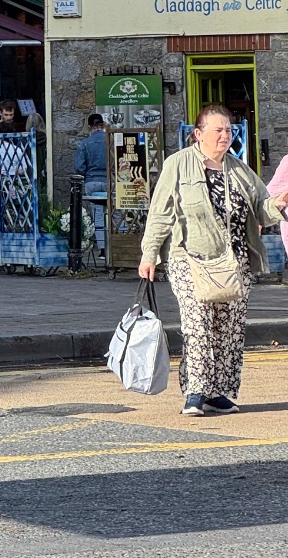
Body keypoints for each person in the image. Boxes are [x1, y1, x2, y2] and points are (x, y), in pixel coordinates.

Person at [139, 103, 288, 416]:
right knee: (198, 326)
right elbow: (160, 213)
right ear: (198, 134)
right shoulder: (178, 165)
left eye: (229, 130)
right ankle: (195, 391)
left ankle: (217, 392)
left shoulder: (240, 169)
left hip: (234, 264)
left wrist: (279, 202)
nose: (225, 135)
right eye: (218, 129)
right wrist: (149, 254)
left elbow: (263, 209)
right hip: (190, 259)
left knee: (229, 330)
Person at [74, 114, 108, 196]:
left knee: (96, 208)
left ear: (89, 127)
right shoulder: (112, 141)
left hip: (91, 181)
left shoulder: (84, 144)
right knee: (111, 207)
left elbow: (79, 167)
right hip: (109, 180)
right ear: (103, 126)